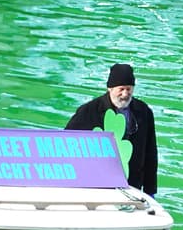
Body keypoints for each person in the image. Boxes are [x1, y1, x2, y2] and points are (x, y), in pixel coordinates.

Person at [66, 63, 158, 195]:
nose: (125, 94)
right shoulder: (89, 111)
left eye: (129, 89)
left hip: (132, 184)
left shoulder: (144, 111)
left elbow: (151, 152)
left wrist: (150, 190)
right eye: (121, 89)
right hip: (97, 183)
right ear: (110, 88)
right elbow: (67, 142)